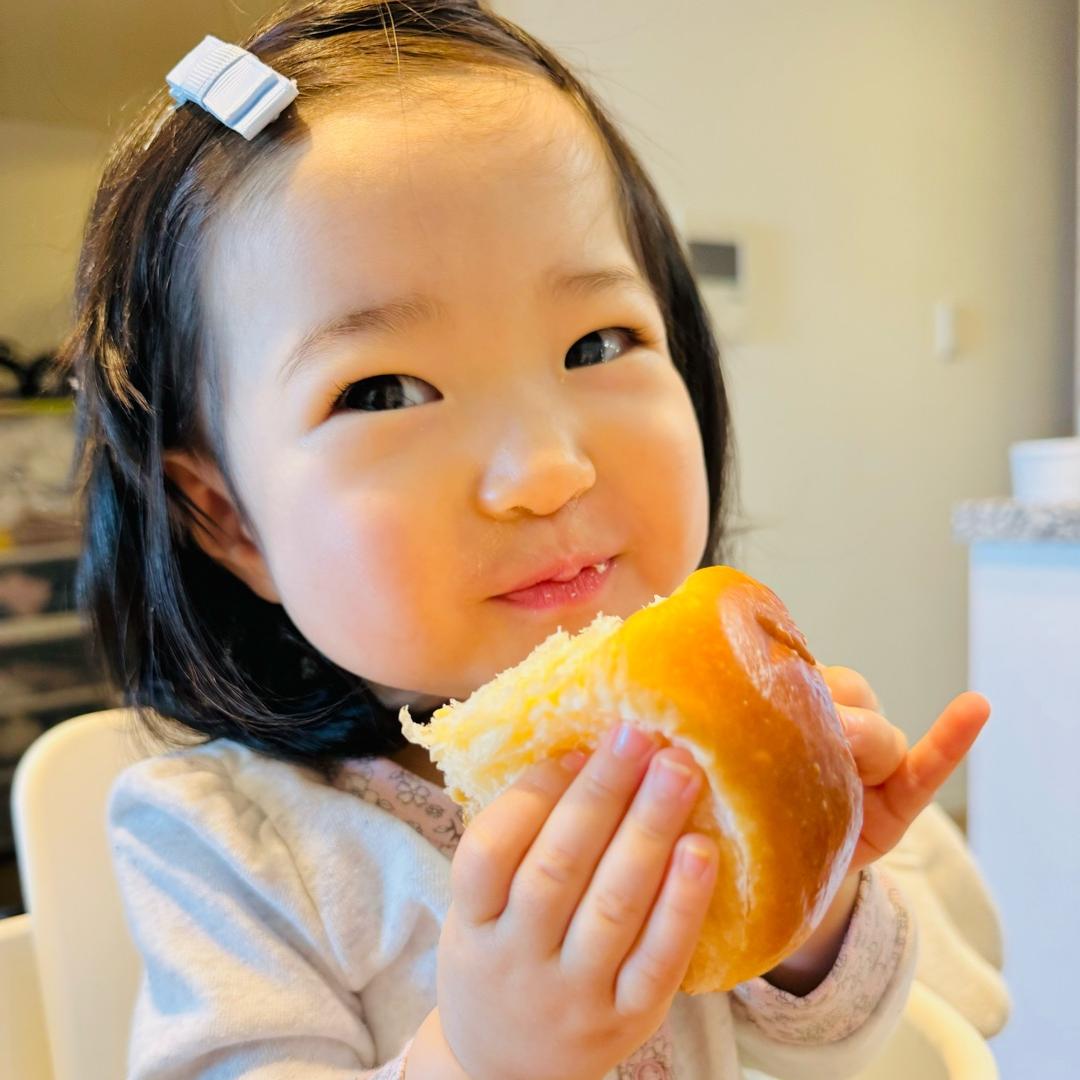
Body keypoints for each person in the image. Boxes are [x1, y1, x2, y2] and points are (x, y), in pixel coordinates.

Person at [61, 2, 990, 1076]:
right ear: (229, 521)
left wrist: (810, 908)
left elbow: (898, 1045)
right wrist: (478, 1056)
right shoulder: (231, 843)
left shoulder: (729, 740)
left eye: (598, 342)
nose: (548, 468)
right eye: (384, 390)